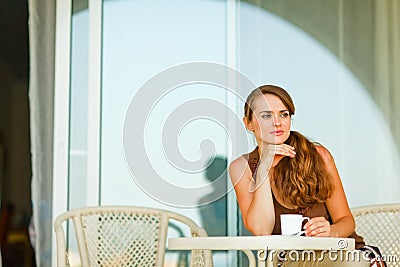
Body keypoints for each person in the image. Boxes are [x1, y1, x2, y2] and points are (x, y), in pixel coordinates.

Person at [229, 85, 384, 267]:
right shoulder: (242, 167)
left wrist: (331, 231)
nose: (277, 122)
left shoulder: (318, 155)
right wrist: (264, 168)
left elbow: (346, 220)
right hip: (292, 261)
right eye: (266, 116)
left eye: (284, 114)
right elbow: (262, 230)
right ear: (248, 123)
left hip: (340, 254)